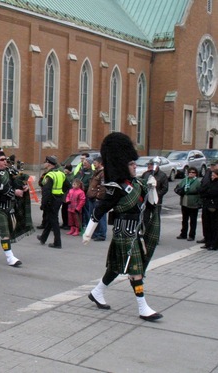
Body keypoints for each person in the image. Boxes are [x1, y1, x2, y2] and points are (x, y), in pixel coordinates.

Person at [83, 132, 162, 321]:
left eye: (135, 163)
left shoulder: (138, 183)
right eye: (131, 164)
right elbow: (99, 210)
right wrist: (87, 233)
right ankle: (143, 308)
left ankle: (97, 292)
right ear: (122, 165)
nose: (135, 166)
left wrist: (152, 188)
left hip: (136, 231)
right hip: (123, 232)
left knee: (116, 268)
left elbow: (151, 204)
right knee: (135, 269)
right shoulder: (115, 187)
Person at [37, 155, 70, 249]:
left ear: (49, 164)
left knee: (54, 221)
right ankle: (43, 238)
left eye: (45, 162)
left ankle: (57, 242)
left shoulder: (50, 175)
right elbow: (68, 185)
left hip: (51, 200)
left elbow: (46, 192)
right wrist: (61, 192)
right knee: (50, 218)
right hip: (58, 198)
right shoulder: (61, 173)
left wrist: (43, 204)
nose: (44, 164)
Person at [174, 166, 201, 242]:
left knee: (193, 220)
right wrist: (179, 191)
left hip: (193, 202)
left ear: (196, 174)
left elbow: (200, 193)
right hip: (184, 201)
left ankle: (192, 235)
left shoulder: (197, 182)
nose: (191, 174)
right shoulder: (184, 180)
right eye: (190, 172)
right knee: (184, 219)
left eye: (193, 172)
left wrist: (199, 203)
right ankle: (183, 234)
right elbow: (178, 187)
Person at [142, 157, 169, 229]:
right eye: (148, 164)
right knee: (145, 218)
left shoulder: (162, 175)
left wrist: (156, 195)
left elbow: (165, 188)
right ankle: (146, 233)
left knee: (156, 218)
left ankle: (155, 235)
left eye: (150, 164)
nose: (149, 166)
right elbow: (142, 184)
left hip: (156, 201)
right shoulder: (146, 174)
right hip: (146, 200)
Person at [86, 157, 107, 241]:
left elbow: (103, 187)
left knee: (100, 217)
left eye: (95, 163)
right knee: (93, 216)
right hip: (92, 197)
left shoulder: (103, 173)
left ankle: (102, 234)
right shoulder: (96, 172)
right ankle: (95, 233)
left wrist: (98, 197)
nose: (93, 164)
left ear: (100, 163)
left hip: (97, 199)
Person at [198, 160, 218, 248]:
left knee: (214, 226)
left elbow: (213, 192)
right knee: (207, 224)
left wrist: (206, 193)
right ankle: (208, 241)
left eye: (214, 175)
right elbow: (202, 189)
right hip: (207, 204)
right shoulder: (208, 176)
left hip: (214, 206)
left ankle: (214, 243)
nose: (212, 176)